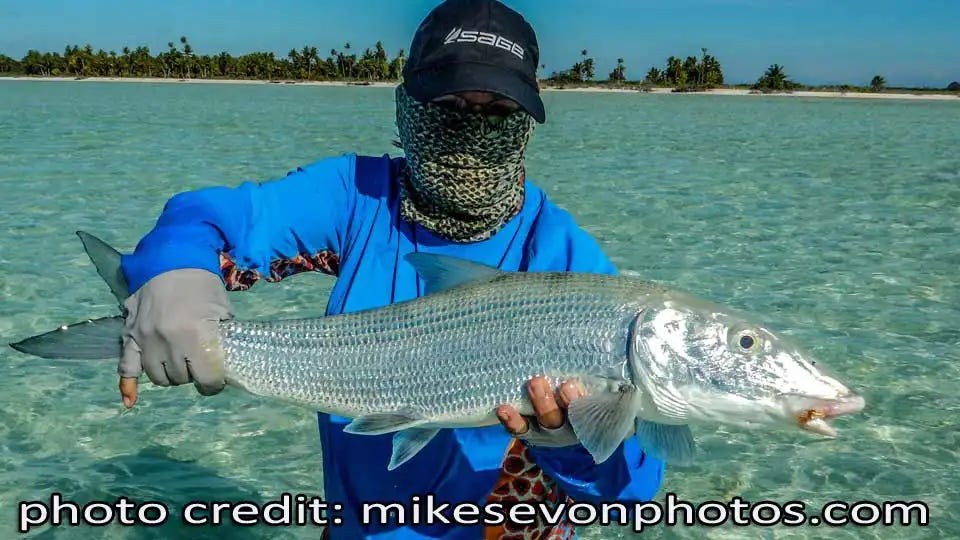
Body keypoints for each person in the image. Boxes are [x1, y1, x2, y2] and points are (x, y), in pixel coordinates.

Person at [117, 0, 664, 537]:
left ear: (526, 122)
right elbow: (206, 217)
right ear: (407, 105)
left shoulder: (567, 259)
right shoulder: (357, 197)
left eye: (498, 112)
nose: (473, 129)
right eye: (450, 106)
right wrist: (172, 274)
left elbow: (631, 495)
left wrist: (573, 441)